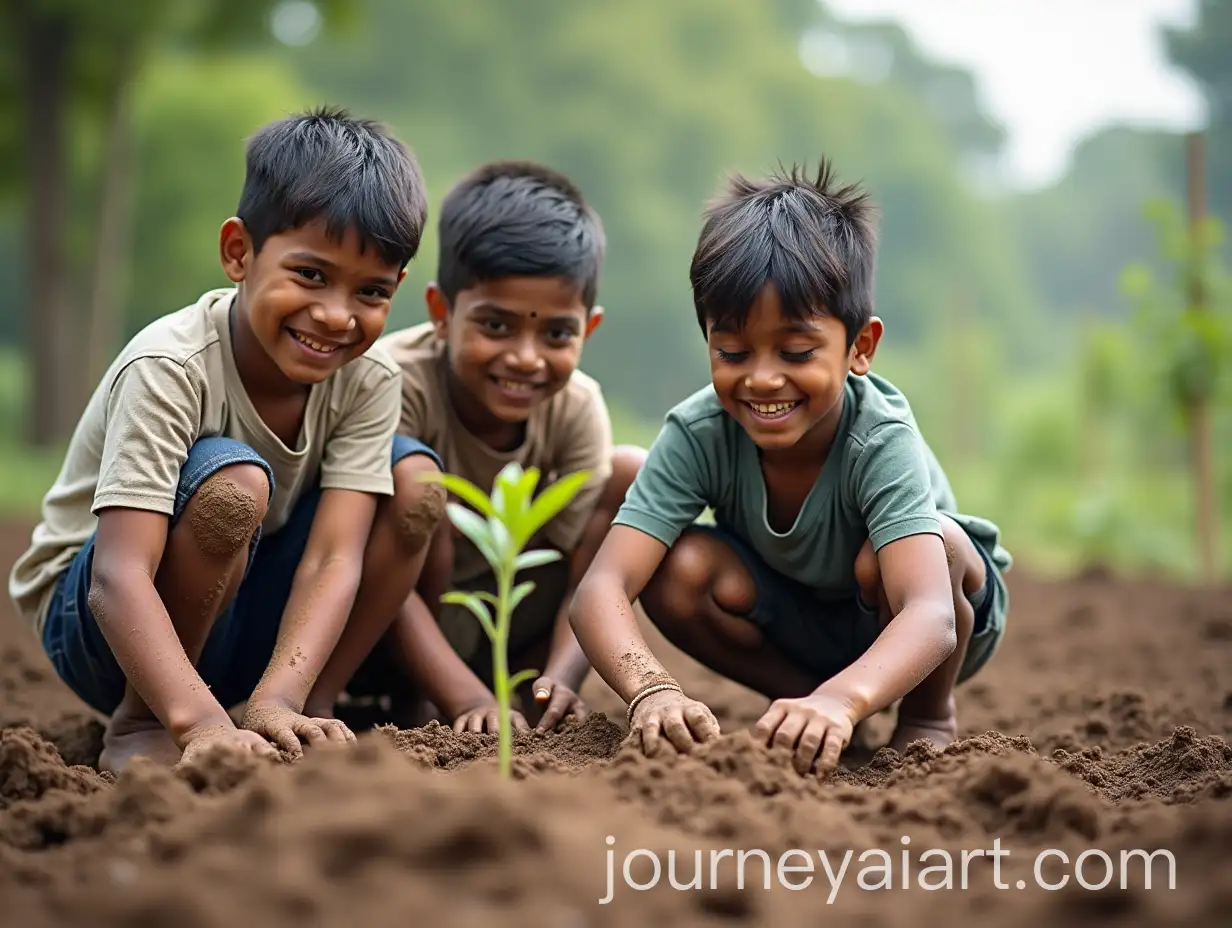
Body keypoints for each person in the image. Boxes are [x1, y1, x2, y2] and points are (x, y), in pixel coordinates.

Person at [8, 106, 446, 773]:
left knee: (414, 482)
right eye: (311, 275)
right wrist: (202, 722)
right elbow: (117, 575)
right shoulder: (169, 365)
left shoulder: (370, 377)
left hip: (239, 619)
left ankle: (303, 703)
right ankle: (144, 721)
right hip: (106, 631)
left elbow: (334, 558)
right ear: (239, 252)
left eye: (371, 291)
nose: (336, 315)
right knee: (232, 484)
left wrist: (280, 696)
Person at [568, 159, 1012, 777]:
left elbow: (931, 615)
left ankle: (927, 716)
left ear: (860, 348)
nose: (763, 378)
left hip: (926, 621)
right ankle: (800, 703)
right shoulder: (699, 433)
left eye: (797, 352)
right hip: (797, 620)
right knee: (680, 567)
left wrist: (844, 698)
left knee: (939, 542)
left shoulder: (879, 436)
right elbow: (602, 588)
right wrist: (652, 690)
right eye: (732, 351)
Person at [308, 160, 644, 734]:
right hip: (386, 620)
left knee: (630, 473)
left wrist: (560, 677)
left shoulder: (576, 408)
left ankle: (536, 689)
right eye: (496, 326)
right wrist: (465, 697)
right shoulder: (392, 382)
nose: (525, 358)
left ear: (588, 329)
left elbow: (579, 571)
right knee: (420, 490)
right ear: (441, 313)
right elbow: (364, 554)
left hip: (506, 621)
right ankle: (423, 697)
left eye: (556, 333)